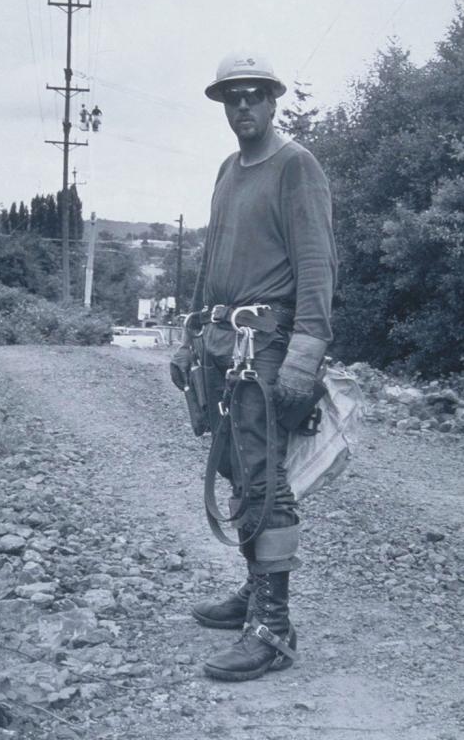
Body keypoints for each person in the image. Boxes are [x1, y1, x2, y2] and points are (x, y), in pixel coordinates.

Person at [170, 52, 337, 681]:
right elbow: (211, 259)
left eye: (254, 95)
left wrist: (304, 355)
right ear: (223, 105)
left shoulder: (298, 167)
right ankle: (252, 591)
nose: (243, 106)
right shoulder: (227, 169)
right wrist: (190, 335)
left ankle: (273, 626)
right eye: (232, 97)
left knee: (265, 480)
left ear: (273, 101)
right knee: (240, 470)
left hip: (266, 346)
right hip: (223, 343)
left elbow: (318, 267)